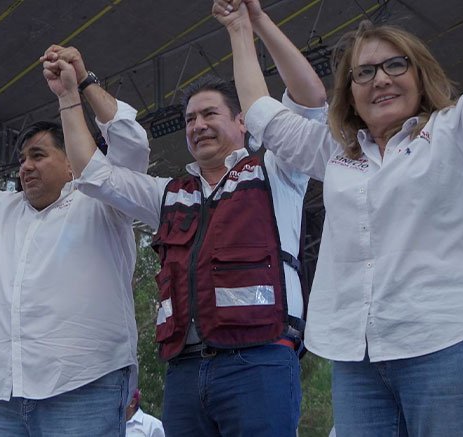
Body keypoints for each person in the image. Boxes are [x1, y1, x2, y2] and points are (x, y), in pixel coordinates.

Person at [219, 0, 463, 434]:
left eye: (395, 65)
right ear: (350, 92)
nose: (381, 79)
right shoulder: (335, 152)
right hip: (358, 361)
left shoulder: (459, 129)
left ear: (420, 74)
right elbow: (263, 113)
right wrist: (245, 25)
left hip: (447, 344)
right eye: (365, 72)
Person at [41, 14, 326, 434]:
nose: (198, 126)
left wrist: (245, 26)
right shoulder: (169, 194)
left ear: (243, 121)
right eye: (190, 119)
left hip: (259, 361)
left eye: (209, 114)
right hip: (185, 372)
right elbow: (93, 174)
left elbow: (309, 100)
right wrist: (70, 94)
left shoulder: (277, 171)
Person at [0, 45, 149, 436]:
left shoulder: (103, 201)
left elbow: (131, 144)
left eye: (38, 155)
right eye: (22, 159)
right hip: (2, 391)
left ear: (71, 162)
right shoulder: (1, 207)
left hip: (84, 383)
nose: (25, 166)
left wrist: (81, 84)